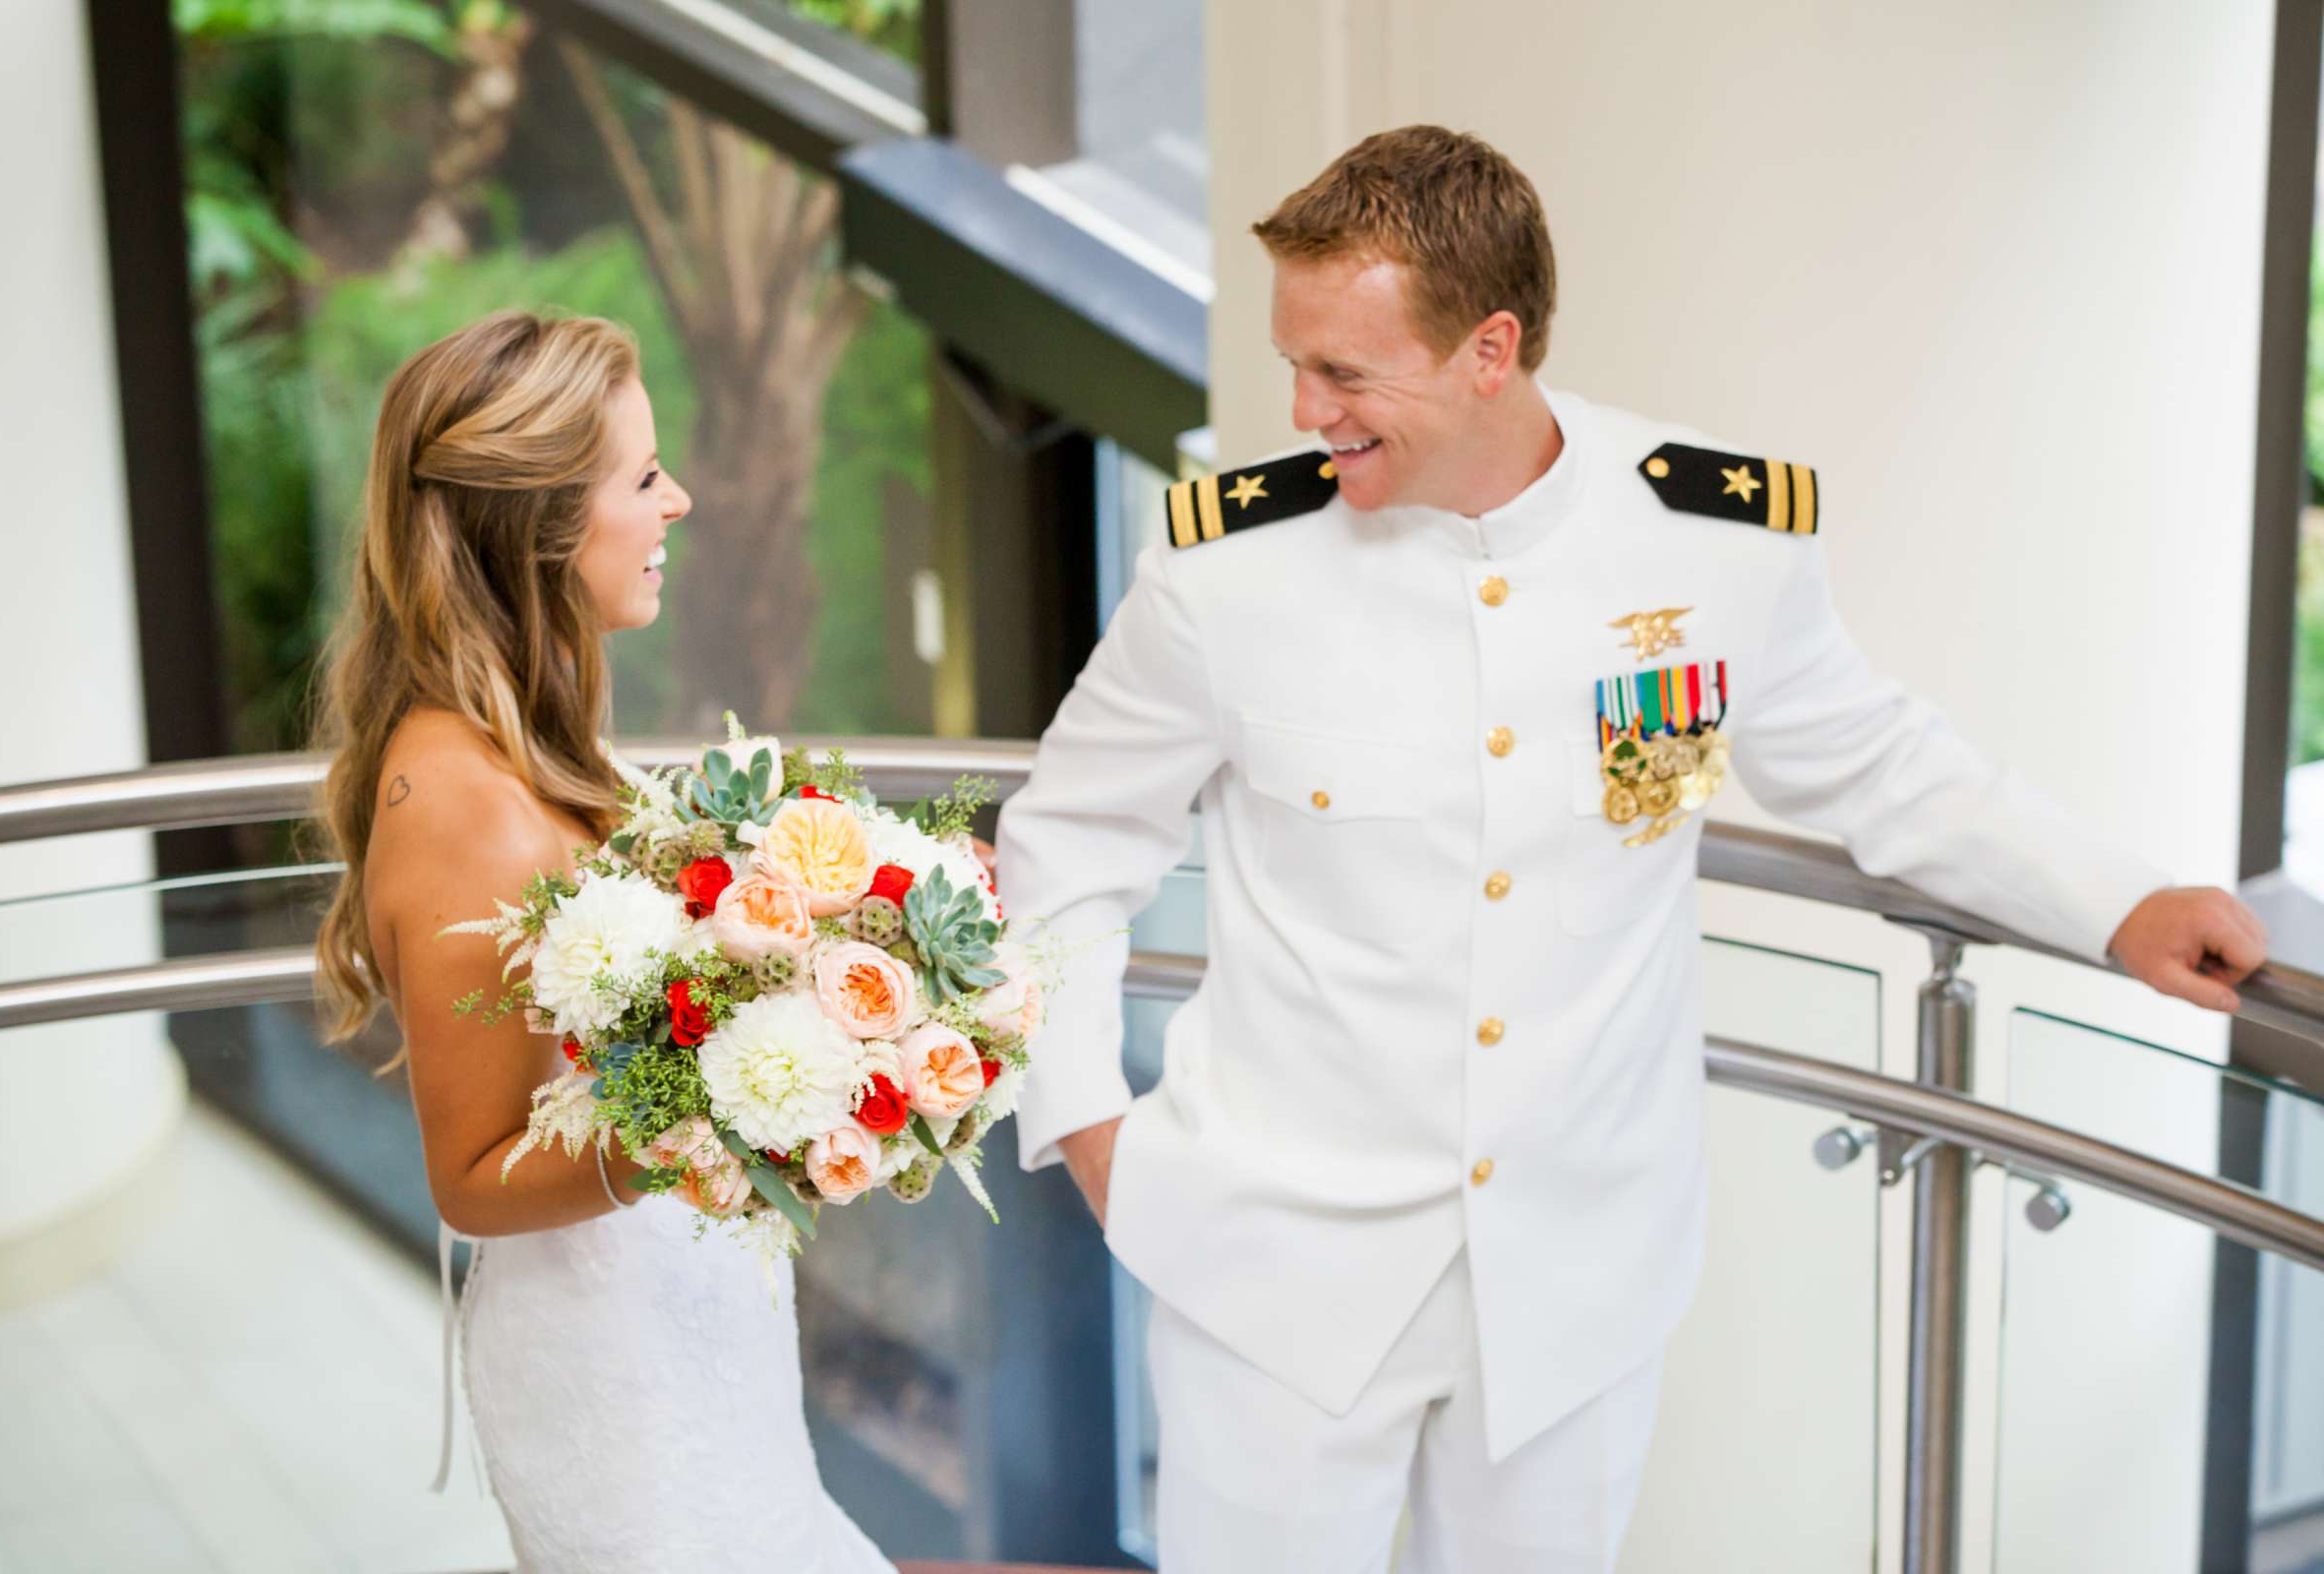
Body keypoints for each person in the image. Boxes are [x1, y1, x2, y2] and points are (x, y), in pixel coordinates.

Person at [994, 126, 2270, 1574]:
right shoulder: (1228, 571)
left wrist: (2118, 904)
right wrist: (1095, 1137)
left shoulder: (1714, 542)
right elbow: (1069, 841)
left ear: (1490, 349)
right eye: (1297, 362)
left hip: (1577, 1281)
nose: (1304, 408)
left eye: (1346, 373)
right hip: (1274, 1274)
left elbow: (1879, 766)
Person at [311, 311, 891, 1573]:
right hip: (619, 1379)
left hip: (687, 1317)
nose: (677, 499)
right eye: (642, 477)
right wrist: (718, 1114)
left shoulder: (532, 728)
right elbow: (469, 1172)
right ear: (542, 528)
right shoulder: (455, 798)